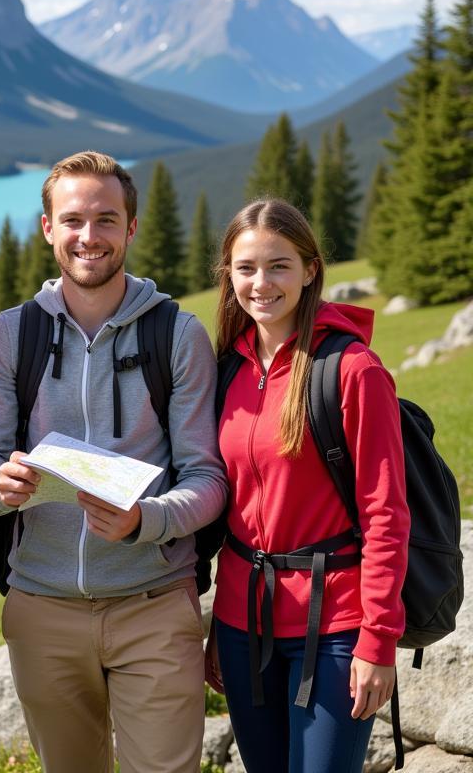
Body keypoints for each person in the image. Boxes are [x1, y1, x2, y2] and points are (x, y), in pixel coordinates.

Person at [0, 150, 227, 773]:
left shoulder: (177, 334)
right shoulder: (12, 333)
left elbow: (208, 477)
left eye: (107, 219)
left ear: (131, 228)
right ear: (48, 228)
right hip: (42, 608)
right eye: (74, 220)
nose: (90, 236)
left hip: (155, 603)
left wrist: (148, 520)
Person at [205, 198, 409, 773]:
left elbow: (386, 515)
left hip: (337, 628)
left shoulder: (353, 371)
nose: (261, 283)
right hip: (244, 626)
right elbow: (234, 513)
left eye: (279, 266)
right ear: (229, 275)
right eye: (245, 268)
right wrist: (221, 627)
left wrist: (379, 642)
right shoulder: (227, 367)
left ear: (311, 270)